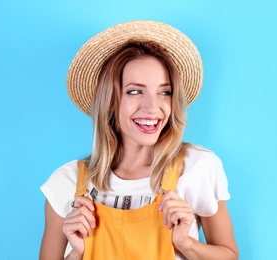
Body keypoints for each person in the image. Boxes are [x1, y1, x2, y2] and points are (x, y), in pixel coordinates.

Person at [39, 20, 238, 260]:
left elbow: (229, 256)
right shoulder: (67, 183)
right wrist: (77, 253)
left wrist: (185, 244)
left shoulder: (197, 167)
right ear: (110, 102)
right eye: (135, 91)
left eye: (165, 92)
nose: (153, 107)